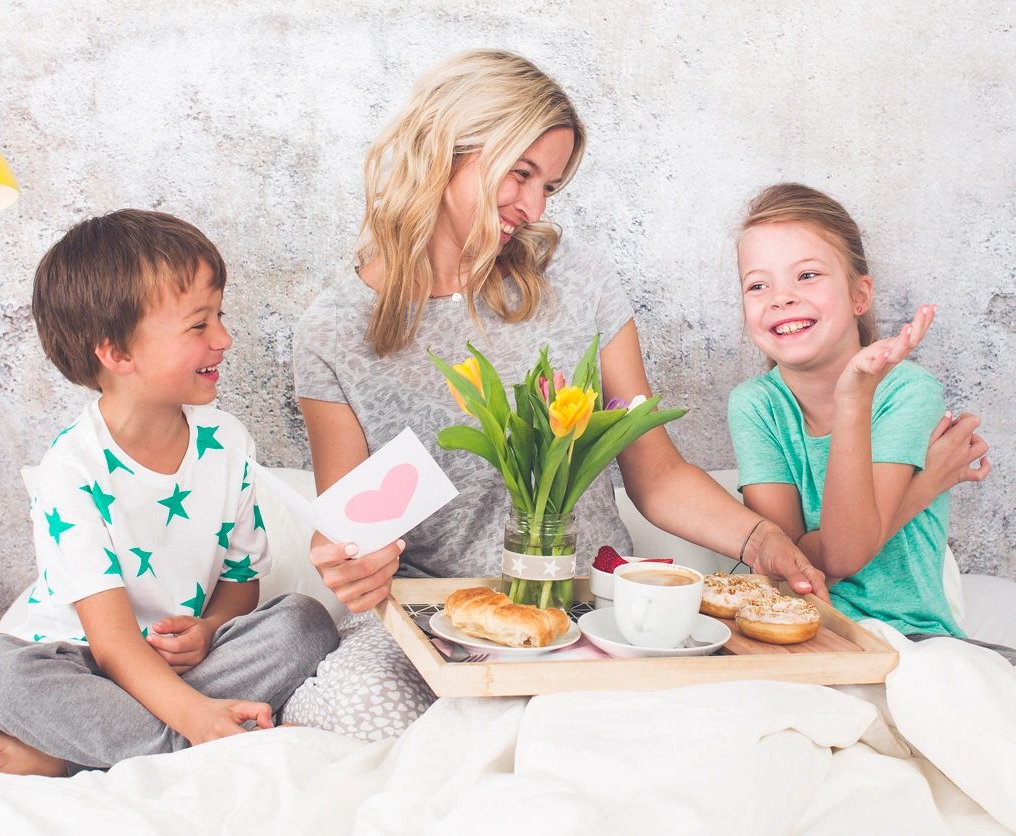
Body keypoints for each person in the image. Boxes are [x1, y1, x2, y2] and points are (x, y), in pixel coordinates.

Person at [283, 50, 832, 739]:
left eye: (550, 185)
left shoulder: (577, 278)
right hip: (440, 620)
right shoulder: (334, 331)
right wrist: (352, 564)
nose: (534, 206)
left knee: (685, 731)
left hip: (588, 610)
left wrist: (762, 539)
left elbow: (656, 474)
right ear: (444, 147)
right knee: (359, 714)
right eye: (521, 173)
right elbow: (351, 526)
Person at [0, 209, 338, 775]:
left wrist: (207, 629)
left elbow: (240, 584)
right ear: (118, 354)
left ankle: (72, 750)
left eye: (220, 316)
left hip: (177, 666)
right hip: (78, 662)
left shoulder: (229, 442)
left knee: (304, 621)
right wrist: (195, 715)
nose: (224, 339)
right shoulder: (72, 468)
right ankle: (203, 735)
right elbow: (109, 642)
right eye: (199, 325)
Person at [728, 183, 1009, 661]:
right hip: (795, 632)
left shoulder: (907, 392)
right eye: (758, 285)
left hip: (913, 636)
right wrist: (925, 485)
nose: (781, 298)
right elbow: (784, 568)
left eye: (807, 275)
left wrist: (855, 398)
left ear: (859, 296)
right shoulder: (755, 406)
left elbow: (832, 555)